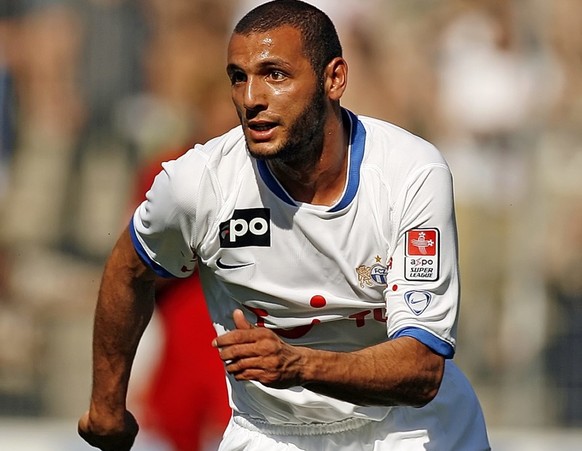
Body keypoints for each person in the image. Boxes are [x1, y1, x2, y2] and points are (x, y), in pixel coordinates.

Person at [78, 1, 490, 450]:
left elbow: (421, 369)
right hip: (272, 431)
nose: (252, 98)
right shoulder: (197, 183)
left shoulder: (411, 173)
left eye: (275, 74)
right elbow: (128, 267)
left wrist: (296, 366)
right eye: (239, 77)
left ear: (334, 78)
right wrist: (106, 406)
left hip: (411, 425)